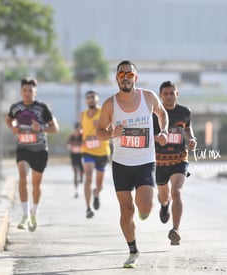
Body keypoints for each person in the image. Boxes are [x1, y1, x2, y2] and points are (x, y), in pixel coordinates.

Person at [96, 60, 169, 268]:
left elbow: (162, 114)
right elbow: (99, 132)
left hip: (145, 161)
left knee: (145, 207)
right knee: (126, 211)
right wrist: (111, 133)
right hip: (121, 164)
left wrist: (163, 131)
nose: (126, 77)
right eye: (122, 74)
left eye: (130, 74)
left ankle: (143, 209)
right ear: (117, 78)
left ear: (135, 78)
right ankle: (133, 250)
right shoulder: (110, 104)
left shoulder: (148, 97)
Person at [6, 77, 59, 232]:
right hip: (23, 148)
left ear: (35, 92)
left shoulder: (43, 108)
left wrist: (41, 127)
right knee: (22, 179)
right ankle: (24, 215)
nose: (27, 93)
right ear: (21, 91)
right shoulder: (15, 107)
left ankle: (34, 213)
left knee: (36, 185)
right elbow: (8, 120)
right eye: (25, 90)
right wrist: (13, 127)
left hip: (40, 150)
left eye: (30, 90)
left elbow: (55, 128)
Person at [153, 81, 197, 246]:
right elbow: (148, 135)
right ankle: (164, 205)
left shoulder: (185, 112)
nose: (169, 96)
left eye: (172, 93)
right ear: (160, 96)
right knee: (164, 195)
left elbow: (187, 128)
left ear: (177, 94)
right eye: (166, 94)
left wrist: (191, 139)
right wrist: (157, 138)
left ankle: (175, 230)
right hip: (159, 162)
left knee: (177, 191)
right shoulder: (154, 114)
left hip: (179, 159)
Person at [80, 90, 111, 219]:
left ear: (97, 99)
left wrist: (100, 126)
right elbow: (83, 129)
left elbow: (112, 129)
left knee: (99, 185)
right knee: (88, 177)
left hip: (102, 152)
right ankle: (88, 208)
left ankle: (96, 194)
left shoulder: (103, 113)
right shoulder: (82, 115)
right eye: (88, 98)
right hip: (88, 150)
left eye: (93, 97)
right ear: (86, 101)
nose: (91, 99)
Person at [67, 122, 84, 198]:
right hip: (74, 156)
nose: (77, 131)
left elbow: (85, 143)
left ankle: (81, 181)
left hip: (81, 156)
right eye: (76, 130)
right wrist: (70, 146)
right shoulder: (72, 136)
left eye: (79, 129)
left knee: (81, 172)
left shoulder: (82, 136)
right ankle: (76, 190)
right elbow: (67, 144)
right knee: (75, 173)